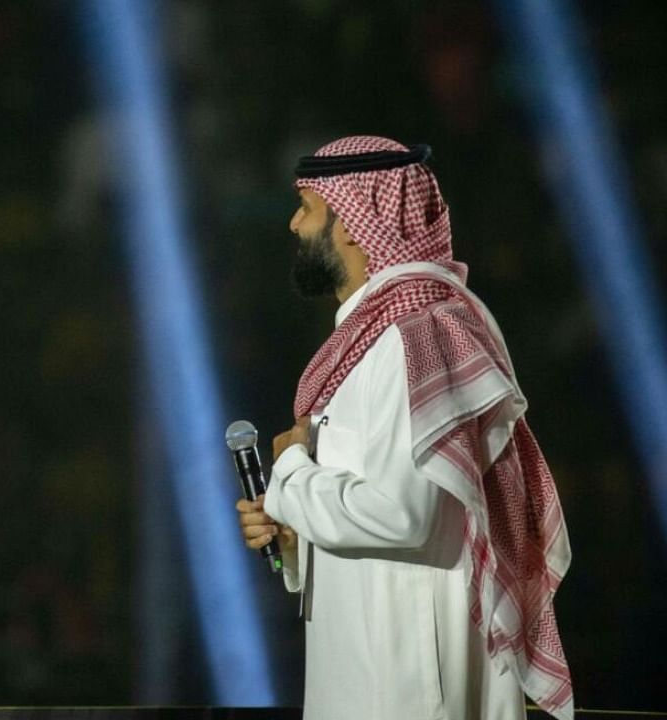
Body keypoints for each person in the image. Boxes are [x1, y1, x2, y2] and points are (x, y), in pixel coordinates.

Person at [236, 136, 572, 719]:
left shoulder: (417, 337)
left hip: (411, 686)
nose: (293, 225)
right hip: (372, 672)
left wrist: (291, 473)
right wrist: (294, 533)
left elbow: (403, 513)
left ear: (352, 223)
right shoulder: (374, 340)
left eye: (308, 207)